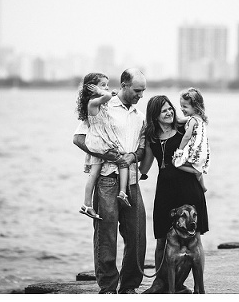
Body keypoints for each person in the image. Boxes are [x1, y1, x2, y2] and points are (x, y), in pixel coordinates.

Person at [73, 68, 147, 294]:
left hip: (131, 181)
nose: (140, 95)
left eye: (143, 91)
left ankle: (129, 287)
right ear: (124, 85)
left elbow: (142, 148)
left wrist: (133, 156)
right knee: (106, 235)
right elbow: (78, 138)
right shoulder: (103, 106)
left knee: (137, 235)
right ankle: (107, 289)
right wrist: (106, 154)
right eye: (137, 90)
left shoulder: (140, 116)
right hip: (106, 179)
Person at [139, 95, 209, 293]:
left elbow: (198, 151)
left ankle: (198, 288)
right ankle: (160, 283)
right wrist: (133, 158)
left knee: (194, 238)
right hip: (165, 192)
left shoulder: (183, 129)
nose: (170, 112)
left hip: (188, 189)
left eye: (170, 108)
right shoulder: (151, 137)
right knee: (161, 237)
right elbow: (145, 167)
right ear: (155, 116)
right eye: (164, 111)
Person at [76, 73, 131, 220]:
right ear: (92, 88)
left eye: (107, 85)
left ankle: (86, 205)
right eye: (103, 85)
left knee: (93, 175)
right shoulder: (93, 102)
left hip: (96, 141)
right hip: (100, 142)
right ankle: (123, 192)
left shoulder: (97, 102)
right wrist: (103, 93)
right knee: (123, 161)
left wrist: (109, 92)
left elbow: (108, 96)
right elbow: (106, 97)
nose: (106, 88)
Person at [171, 87, 210, 192]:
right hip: (202, 152)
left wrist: (180, 149)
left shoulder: (192, 120)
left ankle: (195, 172)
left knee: (176, 163)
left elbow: (187, 136)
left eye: (185, 106)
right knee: (198, 167)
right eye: (181, 106)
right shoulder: (198, 119)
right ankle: (202, 186)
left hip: (194, 151)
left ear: (195, 107)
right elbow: (179, 120)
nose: (182, 109)